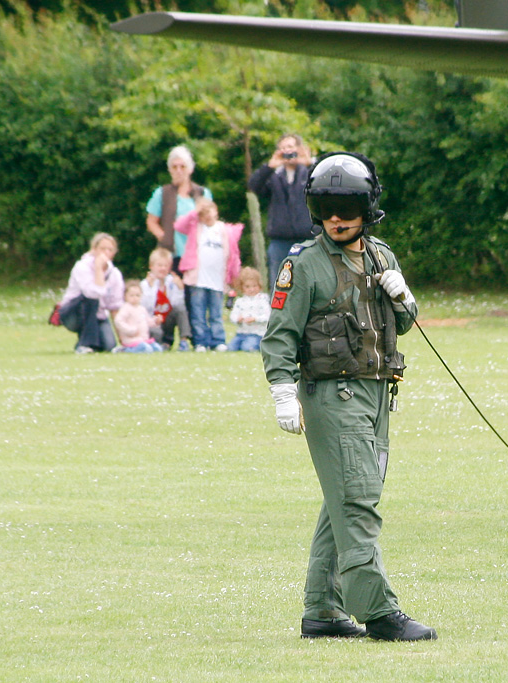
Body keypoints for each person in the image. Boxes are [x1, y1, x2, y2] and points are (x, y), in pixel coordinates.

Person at [261, 151, 435, 642]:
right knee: (358, 502)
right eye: (327, 208)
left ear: (366, 208)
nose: (336, 219)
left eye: (347, 207)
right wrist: (281, 390)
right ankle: (378, 612)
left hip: (378, 396)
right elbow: (279, 335)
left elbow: (401, 322)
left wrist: (405, 297)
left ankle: (323, 611)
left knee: (341, 502)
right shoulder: (303, 264)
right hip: (332, 396)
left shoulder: (382, 255)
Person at [175, 199, 243, 352]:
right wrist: (195, 211)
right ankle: (200, 342)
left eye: (209, 212)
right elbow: (178, 226)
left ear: (216, 211)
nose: (207, 216)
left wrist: (233, 275)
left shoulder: (224, 230)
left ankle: (218, 340)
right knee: (198, 313)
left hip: (217, 280)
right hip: (198, 279)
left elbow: (233, 254)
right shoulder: (196, 227)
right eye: (203, 214)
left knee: (216, 313)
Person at [248, 133, 315, 287]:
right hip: (280, 241)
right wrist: (269, 166)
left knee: (310, 283)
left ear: (299, 149)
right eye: (283, 148)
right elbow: (253, 186)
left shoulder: (309, 172)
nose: (287, 151)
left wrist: (308, 163)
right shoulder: (274, 176)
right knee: (279, 286)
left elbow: (325, 185)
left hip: (307, 239)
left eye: (290, 147)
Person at [145, 145, 213, 274]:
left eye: (182, 166)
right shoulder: (162, 193)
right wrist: (163, 237)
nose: (178, 170)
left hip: (198, 254)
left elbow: (211, 221)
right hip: (172, 255)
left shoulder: (202, 193)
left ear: (190, 169)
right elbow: (151, 221)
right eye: (174, 167)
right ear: (170, 170)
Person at [58, 232, 124, 353]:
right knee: (92, 300)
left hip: (98, 315)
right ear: (94, 249)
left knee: (109, 345)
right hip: (74, 313)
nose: (106, 253)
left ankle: (91, 343)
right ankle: (84, 344)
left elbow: (115, 306)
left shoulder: (114, 274)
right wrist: (98, 269)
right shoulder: (82, 267)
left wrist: (122, 338)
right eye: (102, 249)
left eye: (110, 249)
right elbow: (93, 294)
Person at [140, 247, 192, 351]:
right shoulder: (145, 284)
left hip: (167, 320)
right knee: (156, 333)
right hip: (151, 321)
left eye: (166, 266)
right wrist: (150, 289)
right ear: (151, 266)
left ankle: (183, 341)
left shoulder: (171, 282)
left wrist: (180, 289)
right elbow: (146, 307)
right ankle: (162, 344)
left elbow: (177, 304)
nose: (163, 269)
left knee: (181, 309)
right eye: (159, 265)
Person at [227, 267, 271, 352]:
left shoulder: (262, 300)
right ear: (242, 287)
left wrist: (255, 319)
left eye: (254, 286)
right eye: (247, 286)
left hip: (257, 333)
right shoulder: (240, 301)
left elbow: (267, 316)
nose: (252, 289)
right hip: (241, 333)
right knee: (231, 348)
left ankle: (261, 345)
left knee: (247, 348)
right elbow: (233, 315)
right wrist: (237, 319)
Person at [113, 280, 164, 353]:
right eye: (131, 295)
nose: (135, 298)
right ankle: (124, 350)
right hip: (131, 340)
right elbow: (118, 321)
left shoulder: (141, 308)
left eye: (137, 295)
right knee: (146, 349)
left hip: (143, 339)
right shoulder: (126, 308)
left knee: (158, 349)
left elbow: (148, 321)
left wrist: (155, 321)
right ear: (125, 296)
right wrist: (130, 330)